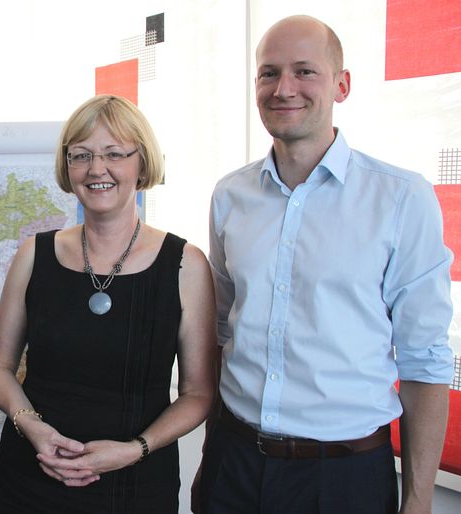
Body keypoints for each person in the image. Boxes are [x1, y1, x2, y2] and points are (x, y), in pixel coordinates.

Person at [193, 15, 455, 514]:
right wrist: (211, 459)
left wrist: (418, 501)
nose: (283, 88)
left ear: (342, 84)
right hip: (236, 465)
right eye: (269, 73)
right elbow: (223, 336)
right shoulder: (230, 196)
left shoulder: (401, 198)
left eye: (304, 71)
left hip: (344, 478)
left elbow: (425, 361)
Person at [0, 94, 217, 513]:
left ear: (141, 163)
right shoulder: (34, 254)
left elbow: (197, 394)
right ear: (67, 166)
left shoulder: (185, 265)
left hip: (135, 483)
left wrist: (134, 449)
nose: (96, 169)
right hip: (30, 476)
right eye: (81, 155)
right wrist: (33, 429)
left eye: (114, 154)